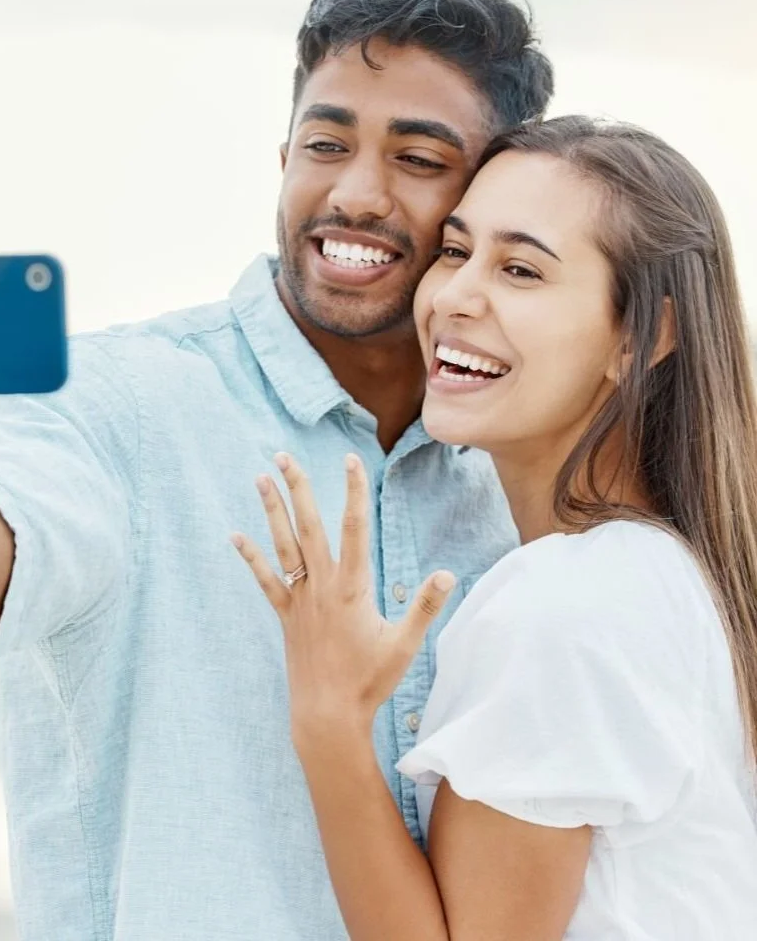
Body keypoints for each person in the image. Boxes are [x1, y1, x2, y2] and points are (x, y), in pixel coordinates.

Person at [0, 0, 553, 941]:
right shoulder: (119, 404)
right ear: (283, 156)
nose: (354, 194)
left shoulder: (519, 475)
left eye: (416, 158)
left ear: (488, 196)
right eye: (325, 143)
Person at [234, 115, 757, 940]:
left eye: (519, 269)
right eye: (454, 250)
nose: (453, 296)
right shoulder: (675, 575)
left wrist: (330, 722)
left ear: (643, 336)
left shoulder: (563, 602)